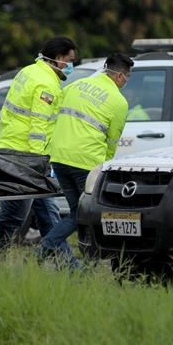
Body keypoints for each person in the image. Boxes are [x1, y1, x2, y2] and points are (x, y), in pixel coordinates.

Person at [39, 52, 132, 267]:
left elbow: (54, 114)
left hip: (59, 158)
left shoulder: (76, 85)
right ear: (119, 76)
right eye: (127, 77)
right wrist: (102, 167)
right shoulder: (119, 102)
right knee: (89, 215)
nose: (126, 81)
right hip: (85, 162)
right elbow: (112, 141)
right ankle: (81, 265)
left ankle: (50, 253)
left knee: (77, 213)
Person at [0, 36, 78, 251]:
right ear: (58, 58)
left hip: (14, 149)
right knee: (16, 214)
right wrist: (38, 163)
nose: (71, 66)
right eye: (69, 61)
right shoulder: (46, 84)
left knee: (46, 213)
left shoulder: (28, 71)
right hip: (26, 157)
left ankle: (63, 261)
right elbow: (38, 125)